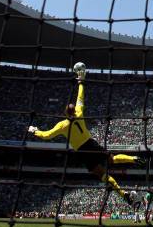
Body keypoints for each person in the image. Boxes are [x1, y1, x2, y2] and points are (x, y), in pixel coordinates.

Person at [28, 64, 143, 205]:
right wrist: (81, 81)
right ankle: (134, 159)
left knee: (102, 175)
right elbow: (80, 97)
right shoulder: (80, 112)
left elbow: (46, 136)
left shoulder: (62, 125)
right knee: (112, 159)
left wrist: (34, 131)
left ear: (65, 113)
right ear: (74, 111)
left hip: (83, 152)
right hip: (91, 144)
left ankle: (123, 193)